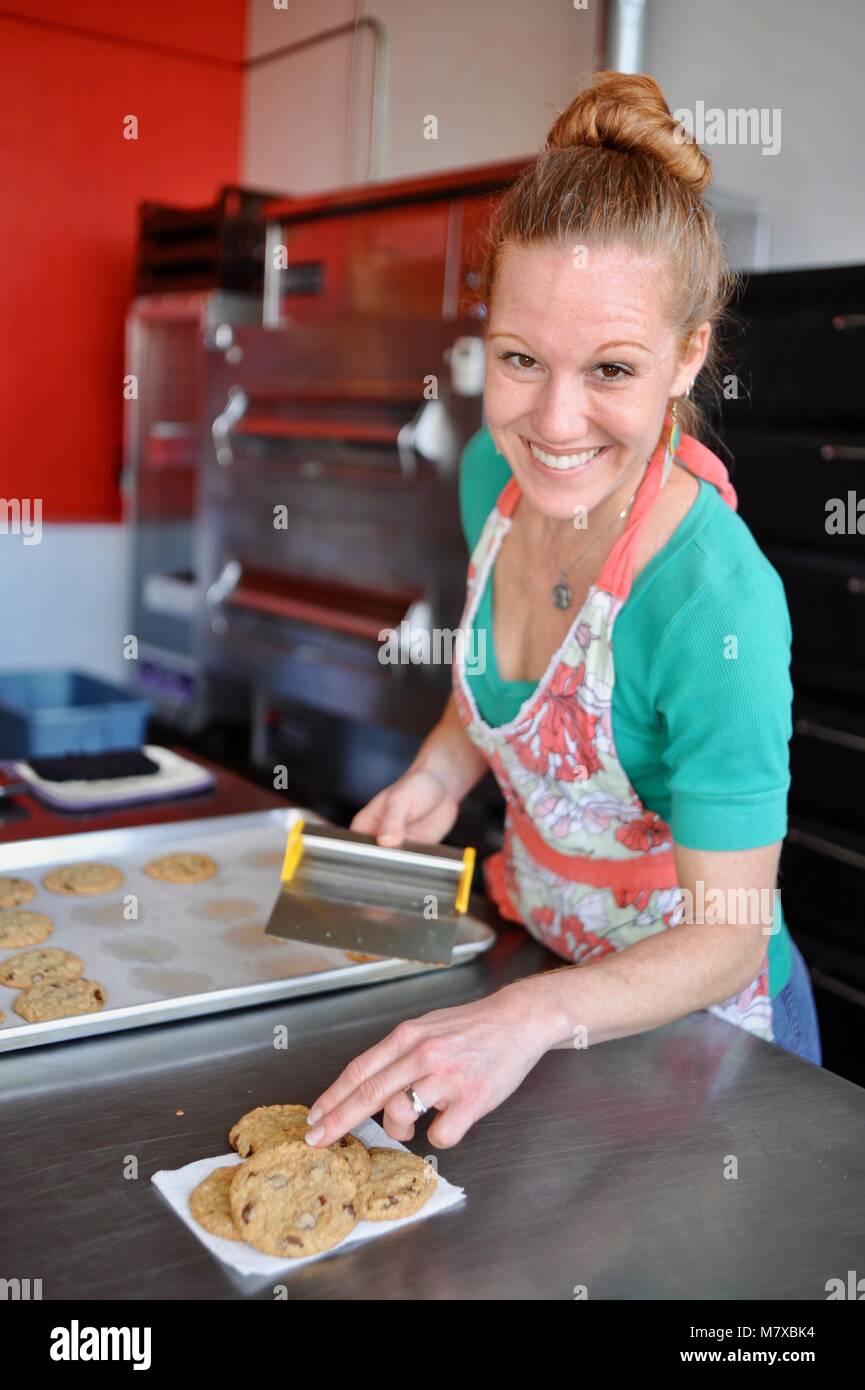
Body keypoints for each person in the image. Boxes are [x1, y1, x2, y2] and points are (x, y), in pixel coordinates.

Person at [303, 70, 822, 1157]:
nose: (554, 420)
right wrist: (439, 774)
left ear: (687, 356)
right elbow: (496, 687)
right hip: (537, 975)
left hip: (702, 1036)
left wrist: (526, 1017)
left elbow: (727, 940)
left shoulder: (711, 602)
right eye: (519, 359)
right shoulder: (493, 471)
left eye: (612, 369)